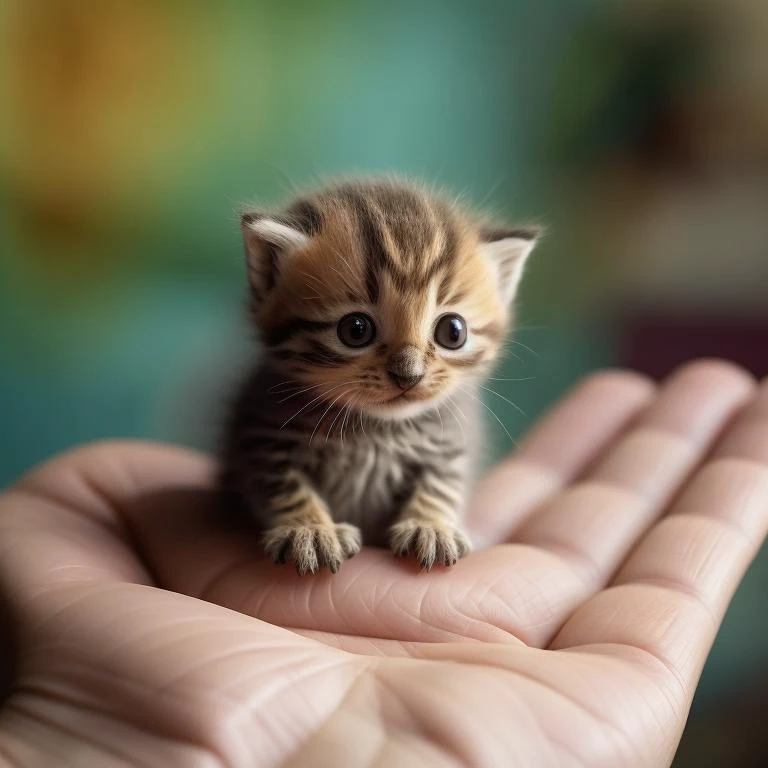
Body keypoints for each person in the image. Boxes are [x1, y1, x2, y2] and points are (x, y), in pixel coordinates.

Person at [0, 360, 765, 767]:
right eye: (358, 329)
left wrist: (433, 512)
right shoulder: (282, 403)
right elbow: (265, 464)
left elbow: (443, 466)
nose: (407, 364)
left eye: (450, 331)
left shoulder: (447, 406)